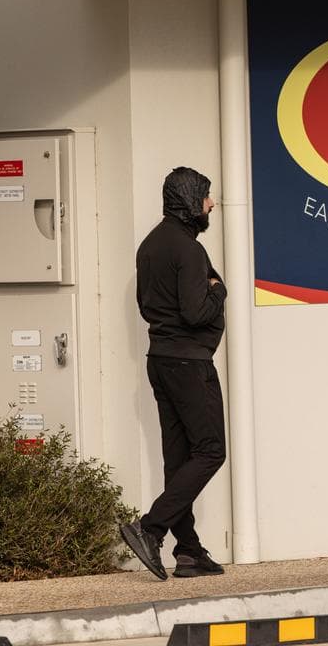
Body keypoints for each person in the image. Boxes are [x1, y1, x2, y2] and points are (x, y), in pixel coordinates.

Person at [120, 166, 227, 580]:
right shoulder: (189, 250)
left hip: (160, 360)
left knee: (179, 457)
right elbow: (197, 311)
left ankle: (189, 551)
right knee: (210, 451)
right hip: (188, 363)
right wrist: (219, 289)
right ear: (189, 201)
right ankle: (150, 528)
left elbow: (146, 306)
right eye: (206, 196)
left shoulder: (149, 245)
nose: (211, 203)